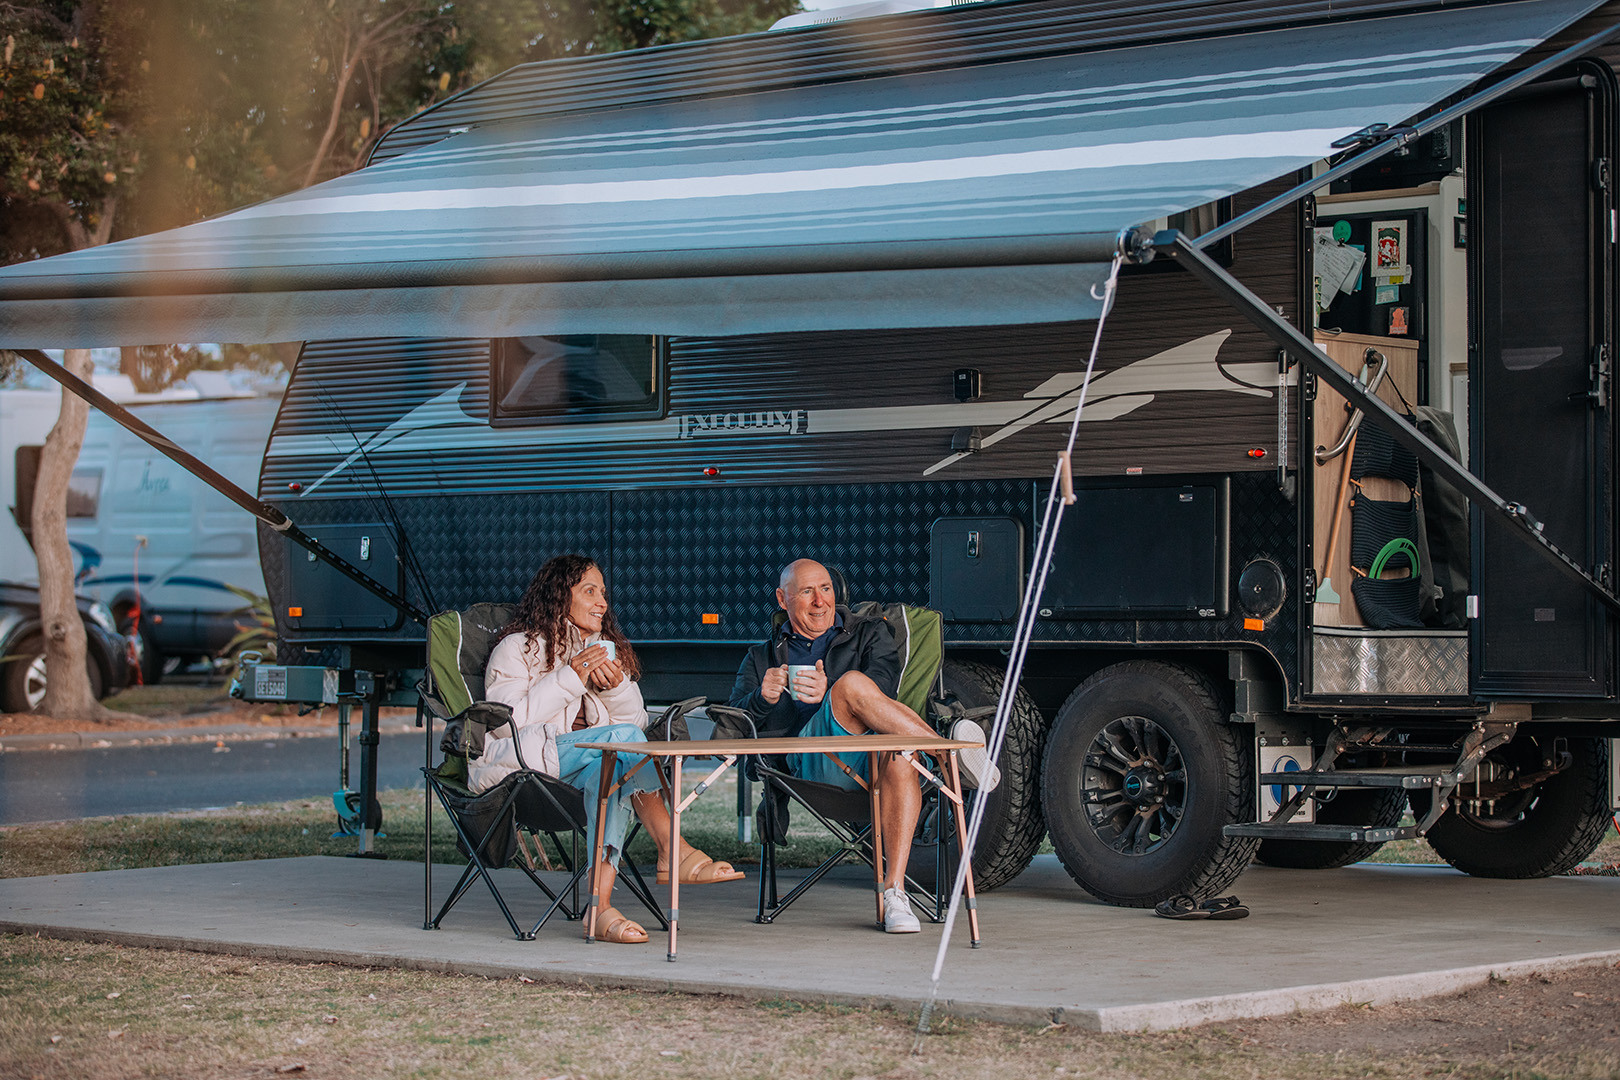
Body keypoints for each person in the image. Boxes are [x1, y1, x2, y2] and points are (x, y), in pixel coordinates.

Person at [472, 554, 742, 944]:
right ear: (559, 596)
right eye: (589, 591)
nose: (602, 602)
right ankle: (672, 846)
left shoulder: (604, 649)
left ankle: (599, 909)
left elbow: (634, 725)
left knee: (615, 769)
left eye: (603, 592)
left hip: (587, 770)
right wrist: (572, 675)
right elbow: (505, 724)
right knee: (618, 749)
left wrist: (613, 687)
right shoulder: (518, 648)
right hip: (525, 768)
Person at [728, 559, 999, 934]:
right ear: (782, 598)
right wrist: (762, 698)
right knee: (852, 685)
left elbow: (885, 692)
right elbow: (732, 723)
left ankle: (895, 894)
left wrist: (832, 688)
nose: (820, 601)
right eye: (806, 591)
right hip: (808, 765)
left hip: (868, 754)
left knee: (900, 753)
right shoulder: (763, 657)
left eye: (825, 588)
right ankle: (948, 752)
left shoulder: (870, 633)